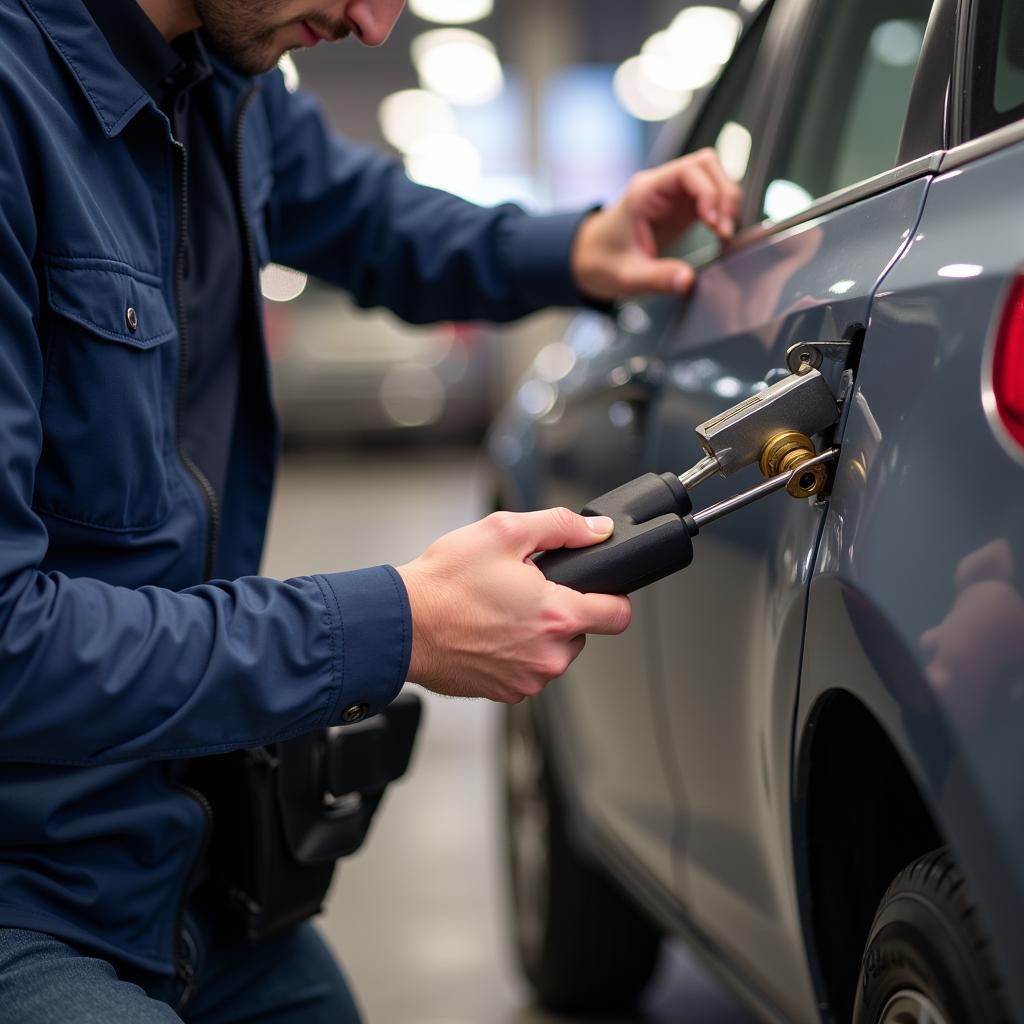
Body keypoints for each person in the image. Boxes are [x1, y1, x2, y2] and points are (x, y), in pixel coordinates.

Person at [0, 0, 742, 1020]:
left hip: (168, 862)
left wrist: (580, 246)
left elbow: (368, 217)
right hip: (24, 890)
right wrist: (400, 622)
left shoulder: (226, 81)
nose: (375, 23)